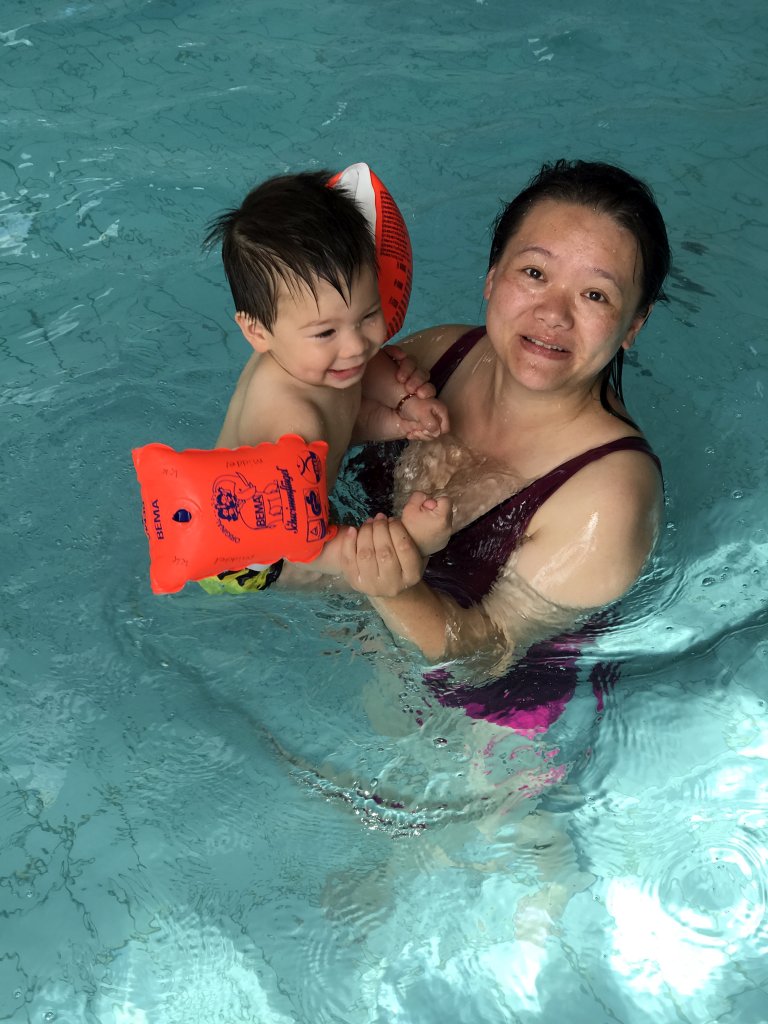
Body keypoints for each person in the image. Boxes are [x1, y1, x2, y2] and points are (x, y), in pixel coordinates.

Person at [285, 158, 671, 731]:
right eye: (534, 273)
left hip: (472, 736)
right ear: (491, 278)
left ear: (633, 325)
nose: (552, 314)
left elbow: (485, 656)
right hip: (340, 647)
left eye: (595, 295)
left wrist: (391, 587)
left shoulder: (609, 496)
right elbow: (300, 413)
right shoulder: (437, 356)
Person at [199, 169, 453, 592]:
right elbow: (302, 544)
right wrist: (404, 544)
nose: (356, 347)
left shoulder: (313, 359)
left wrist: (401, 412)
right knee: (379, 587)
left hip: (293, 505)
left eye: (368, 316)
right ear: (257, 331)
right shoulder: (290, 424)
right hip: (249, 557)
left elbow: (344, 416)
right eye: (326, 332)